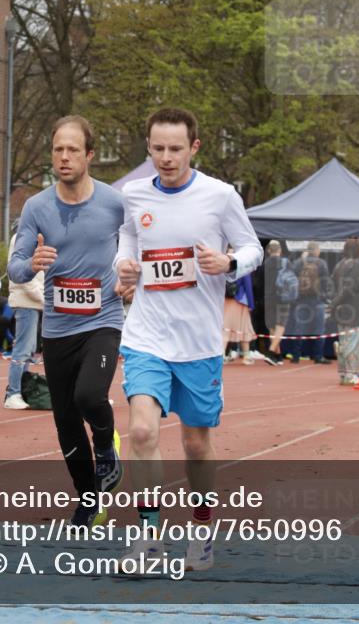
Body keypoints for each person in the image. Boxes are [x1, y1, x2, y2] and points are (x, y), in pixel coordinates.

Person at [115, 107, 263, 571]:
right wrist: (123, 266)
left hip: (198, 341)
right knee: (141, 430)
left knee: (196, 446)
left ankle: (201, 529)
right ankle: (148, 539)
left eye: (175, 149)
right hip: (146, 333)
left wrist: (229, 263)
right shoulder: (134, 195)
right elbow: (125, 238)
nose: (166, 157)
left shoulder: (219, 197)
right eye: (157, 148)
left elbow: (253, 247)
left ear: (194, 147)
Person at [9, 115, 124, 526]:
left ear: (90, 155)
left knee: (89, 396)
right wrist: (32, 264)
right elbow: (15, 267)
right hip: (58, 326)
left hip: (103, 320)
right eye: (58, 149)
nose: (64, 157)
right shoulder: (37, 206)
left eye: (73, 149)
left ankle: (108, 448)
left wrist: (131, 276)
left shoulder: (114, 203)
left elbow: (137, 250)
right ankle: (90, 499)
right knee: (65, 422)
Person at [3, 225, 44, 410]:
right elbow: (25, 277)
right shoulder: (23, 240)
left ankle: (20, 390)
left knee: (28, 349)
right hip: (27, 301)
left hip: (32, 302)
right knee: (22, 349)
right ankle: (13, 393)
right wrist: (44, 298)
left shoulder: (28, 239)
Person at [331, 238, 359, 385]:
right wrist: (336, 302)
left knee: (345, 340)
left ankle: (343, 373)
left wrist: (335, 303)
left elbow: (333, 284)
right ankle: (351, 374)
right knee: (353, 344)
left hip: (342, 311)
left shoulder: (339, 265)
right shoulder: (356, 266)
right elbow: (349, 288)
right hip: (354, 309)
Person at [287, 261, 331, 365]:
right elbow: (323, 293)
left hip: (301, 304)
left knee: (298, 330)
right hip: (316, 304)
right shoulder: (318, 279)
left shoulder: (299, 279)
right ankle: (318, 356)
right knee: (319, 330)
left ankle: (296, 356)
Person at [262, 240, 290, 366]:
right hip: (282, 297)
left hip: (268, 297)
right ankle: (271, 351)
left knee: (272, 327)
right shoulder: (285, 263)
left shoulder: (265, 263)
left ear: (268, 251)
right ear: (280, 250)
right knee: (280, 325)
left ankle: (277, 356)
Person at [223, 272, 256, 363]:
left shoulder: (225, 266)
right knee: (244, 328)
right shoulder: (244, 268)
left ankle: (221, 355)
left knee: (225, 329)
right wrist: (251, 304)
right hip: (240, 301)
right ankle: (246, 356)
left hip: (225, 300)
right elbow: (248, 286)